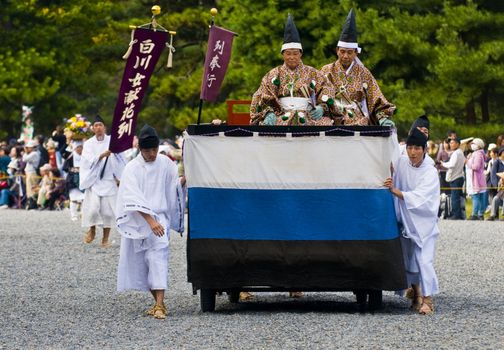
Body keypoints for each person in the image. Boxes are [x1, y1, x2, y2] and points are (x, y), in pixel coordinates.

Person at [116, 124, 185, 320]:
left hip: (160, 218)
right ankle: (157, 301)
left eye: (155, 149)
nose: (152, 153)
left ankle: (160, 305)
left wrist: (182, 182)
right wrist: (149, 220)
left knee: (158, 258)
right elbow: (131, 197)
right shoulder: (132, 168)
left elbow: (171, 189)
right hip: (138, 220)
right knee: (142, 263)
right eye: (148, 150)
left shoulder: (166, 163)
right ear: (141, 150)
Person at [384, 116, 440, 315]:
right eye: (410, 148)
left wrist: (397, 192)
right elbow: (390, 158)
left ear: (425, 149)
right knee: (410, 261)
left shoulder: (430, 171)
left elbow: (423, 198)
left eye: (417, 148)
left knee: (424, 261)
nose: (413, 152)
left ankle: (428, 300)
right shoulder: (402, 160)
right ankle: (416, 294)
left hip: (423, 225)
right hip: (405, 220)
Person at [250, 14, 334, 126]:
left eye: (295, 53)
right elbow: (262, 95)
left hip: (308, 115)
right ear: (282, 55)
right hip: (281, 114)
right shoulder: (274, 73)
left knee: (325, 124)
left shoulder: (312, 72)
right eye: (288, 53)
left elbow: (327, 88)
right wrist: (268, 113)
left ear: (301, 54)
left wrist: (322, 107)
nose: (292, 57)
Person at [320, 9, 395, 126]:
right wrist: (320, 107)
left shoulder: (363, 73)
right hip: (331, 118)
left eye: (350, 52)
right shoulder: (326, 70)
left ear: (356, 53)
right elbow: (318, 94)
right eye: (343, 51)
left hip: (358, 120)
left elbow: (375, 96)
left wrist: (382, 118)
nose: (345, 56)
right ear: (337, 51)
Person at [80, 115, 126, 247]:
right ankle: (92, 230)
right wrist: (101, 155)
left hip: (109, 180)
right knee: (93, 209)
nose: (98, 127)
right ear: (93, 128)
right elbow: (86, 160)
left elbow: (121, 158)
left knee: (107, 212)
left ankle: (105, 239)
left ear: (104, 127)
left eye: (100, 125)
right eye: (96, 125)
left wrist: (120, 176)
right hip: (95, 180)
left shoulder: (113, 141)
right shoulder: (88, 144)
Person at [441, 138, 465, 220]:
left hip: (455, 178)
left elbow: (451, 164)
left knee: (455, 198)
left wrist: (442, 163)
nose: (450, 144)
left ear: (458, 144)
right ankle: (460, 214)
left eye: (452, 143)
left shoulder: (456, 153)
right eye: (450, 143)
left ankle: (456, 215)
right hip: (459, 177)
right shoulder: (460, 152)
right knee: (458, 197)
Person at [63, 140, 85, 221]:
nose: (80, 149)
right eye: (78, 148)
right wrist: (73, 170)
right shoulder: (71, 156)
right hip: (72, 179)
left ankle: (83, 213)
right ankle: (73, 214)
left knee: (84, 198)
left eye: (81, 147)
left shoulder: (86, 156)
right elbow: (65, 168)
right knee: (74, 198)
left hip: (83, 178)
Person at [466, 138, 487, 220]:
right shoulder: (478, 153)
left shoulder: (478, 154)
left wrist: (467, 162)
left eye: (474, 143)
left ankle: (474, 214)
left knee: (476, 196)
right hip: (479, 178)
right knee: (480, 197)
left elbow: (476, 166)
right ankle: (480, 214)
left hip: (476, 179)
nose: (472, 145)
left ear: (479, 145)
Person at [22, 140, 40, 209]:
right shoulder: (33, 153)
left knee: (31, 189)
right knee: (29, 189)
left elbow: (24, 159)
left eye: (28, 147)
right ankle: (30, 204)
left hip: (32, 173)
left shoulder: (34, 153)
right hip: (30, 173)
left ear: (33, 147)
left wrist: (25, 152)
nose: (27, 148)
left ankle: (33, 205)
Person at [487, 147, 504, 221]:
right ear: (501, 153)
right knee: (495, 199)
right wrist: (496, 185)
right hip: (499, 185)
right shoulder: (496, 162)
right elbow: (493, 175)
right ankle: (492, 215)